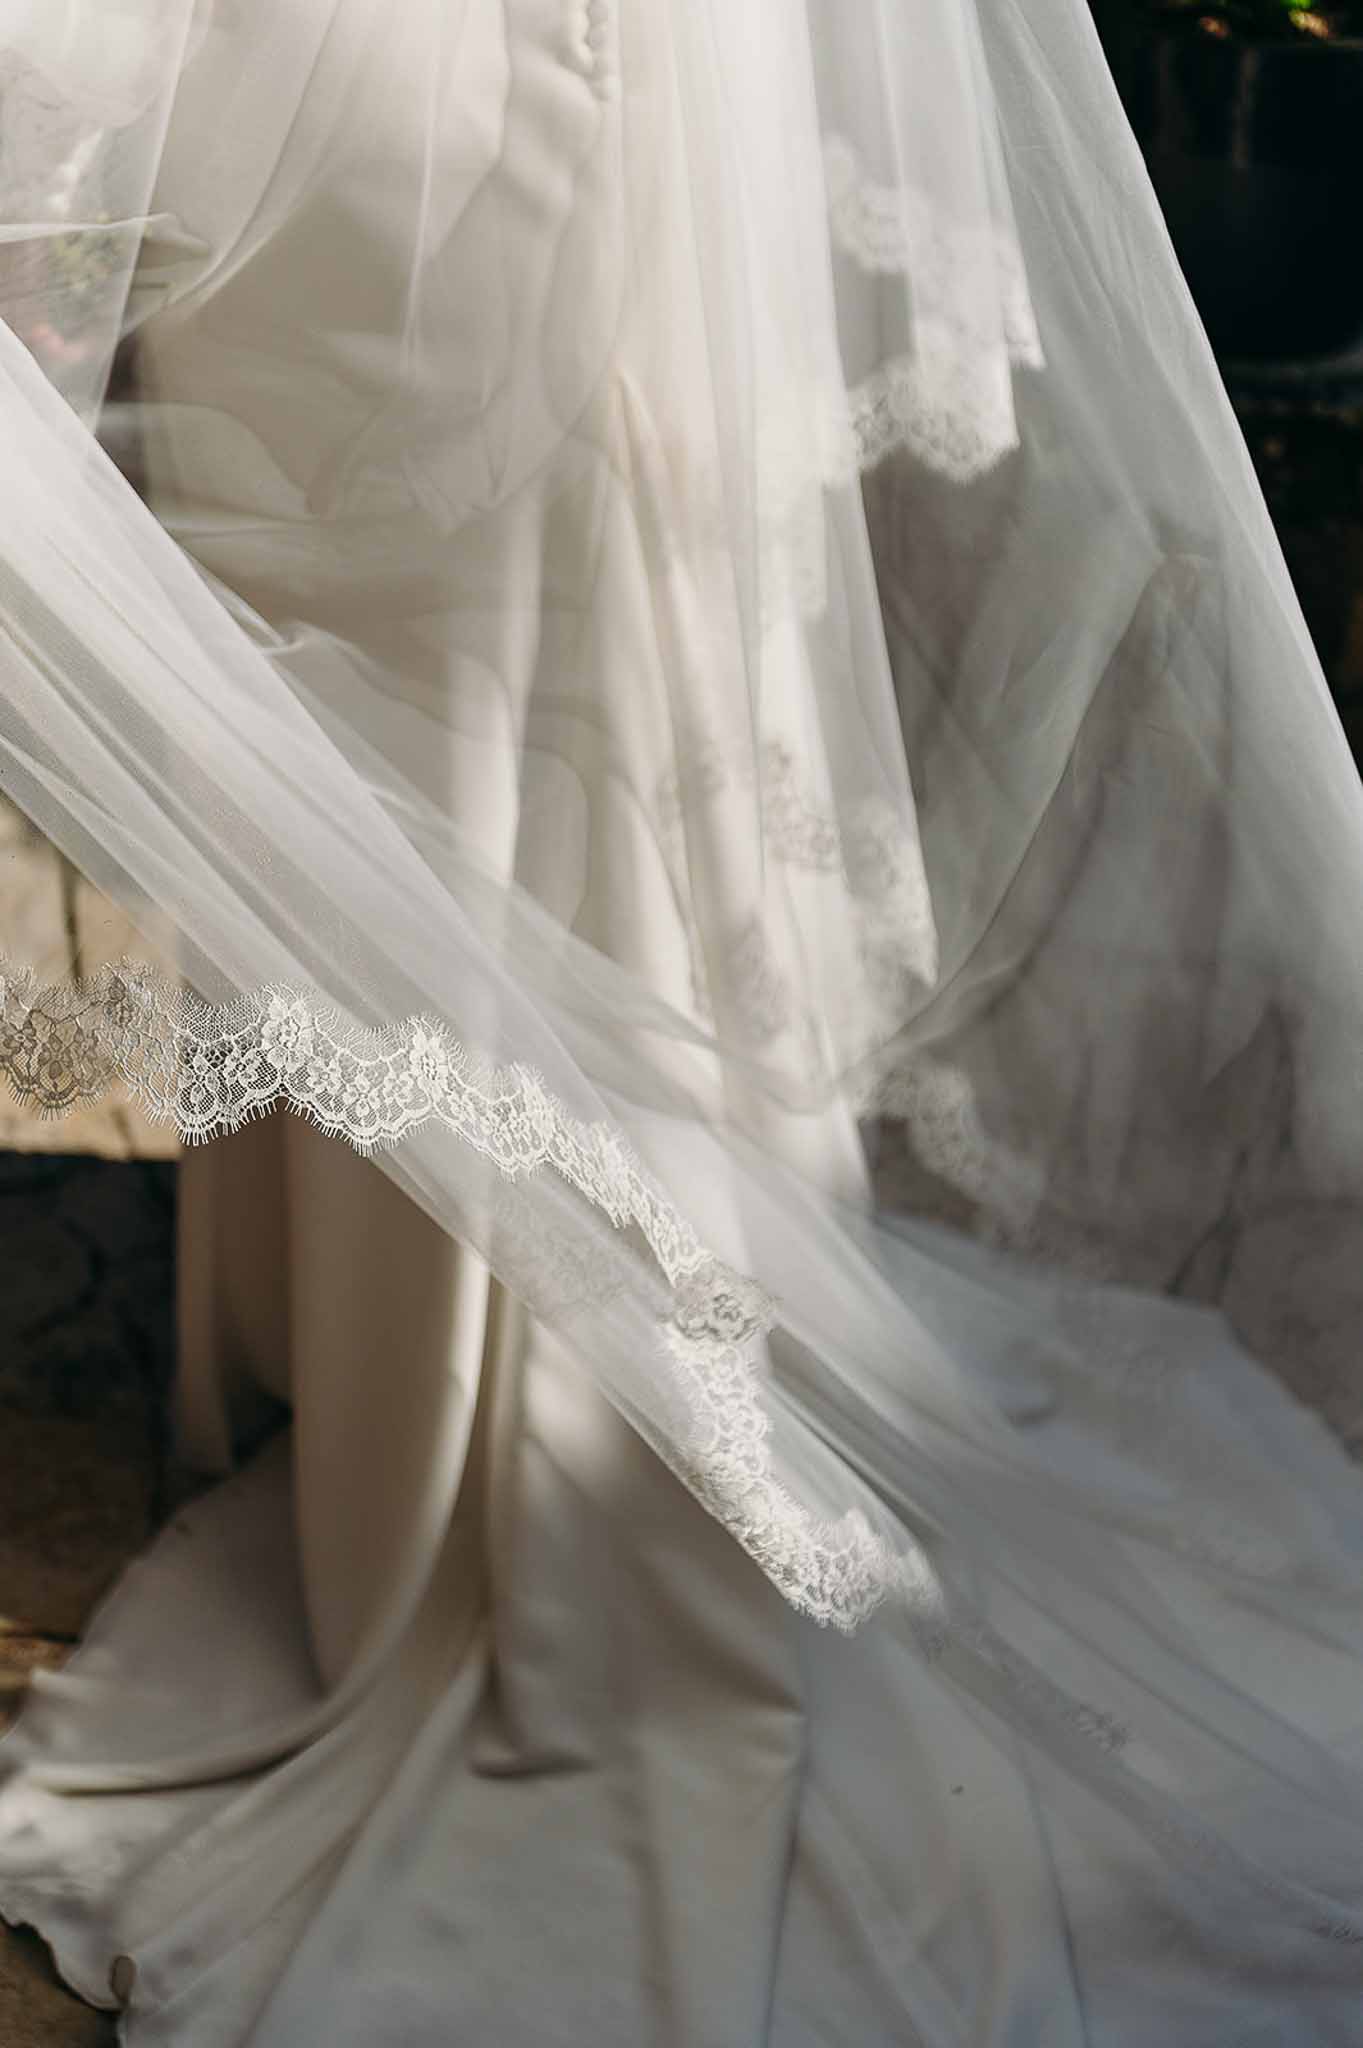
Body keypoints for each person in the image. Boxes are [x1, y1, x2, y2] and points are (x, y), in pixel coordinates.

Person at [2, 1, 1363, 2040]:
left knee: (491, 713)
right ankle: (417, 1413)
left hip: (423, 88)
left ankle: (515, 1458)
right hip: (393, 92)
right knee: (436, 715)